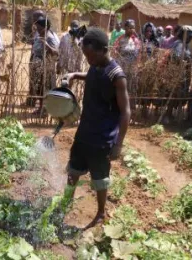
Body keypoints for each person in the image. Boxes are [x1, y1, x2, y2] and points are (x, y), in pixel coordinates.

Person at [63, 28, 131, 229]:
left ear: (103, 50)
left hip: (102, 137)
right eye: (86, 56)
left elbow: (126, 112)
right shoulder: (96, 66)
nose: (88, 59)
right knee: (74, 169)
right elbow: (91, 75)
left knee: (100, 178)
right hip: (85, 130)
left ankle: (101, 213)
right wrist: (75, 74)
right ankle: (66, 201)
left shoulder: (117, 76)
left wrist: (118, 144)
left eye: (90, 55)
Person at [27, 18, 59, 114]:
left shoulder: (49, 38)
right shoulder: (38, 36)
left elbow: (56, 53)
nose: (37, 30)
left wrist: (46, 45)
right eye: (36, 28)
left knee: (45, 87)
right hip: (37, 67)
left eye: (39, 28)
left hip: (46, 68)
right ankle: (41, 108)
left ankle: (45, 110)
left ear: (45, 28)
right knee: (38, 88)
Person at [164, 25, 192, 123]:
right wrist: (183, 61)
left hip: (183, 75)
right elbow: (175, 58)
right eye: (190, 36)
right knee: (173, 95)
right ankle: (167, 115)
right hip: (176, 75)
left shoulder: (185, 45)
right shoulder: (178, 44)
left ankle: (173, 115)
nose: (191, 38)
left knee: (178, 96)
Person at [113, 19, 140, 110]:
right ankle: (119, 107)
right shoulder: (120, 40)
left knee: (131, 88)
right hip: (121, 69)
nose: (132, 30)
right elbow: (114, 52)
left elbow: (139, 55)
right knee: (121, 88)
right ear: (125, 28)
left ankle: (130, 109)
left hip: (132, 69)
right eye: (130, 28)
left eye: (133, 28)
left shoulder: (135, 40)